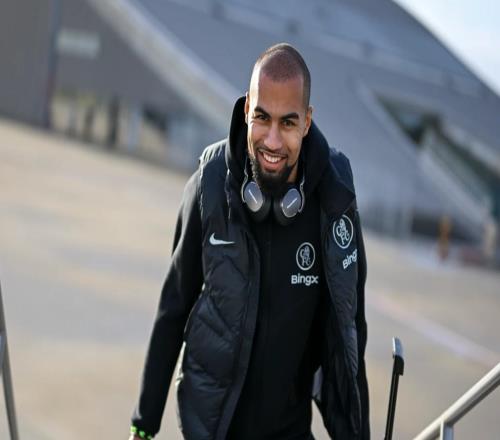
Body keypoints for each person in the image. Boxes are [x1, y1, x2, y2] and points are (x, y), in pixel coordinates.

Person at [129, 43, 369, 440]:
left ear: (307, 122)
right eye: (262, 118)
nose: (272, 141)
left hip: (291, 432)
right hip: (212, 431)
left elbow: (349, 330)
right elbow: (173, 307)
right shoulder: (209, 186)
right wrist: (143, 424)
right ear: (245, 112)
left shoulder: (334, 198)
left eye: (288, 123)